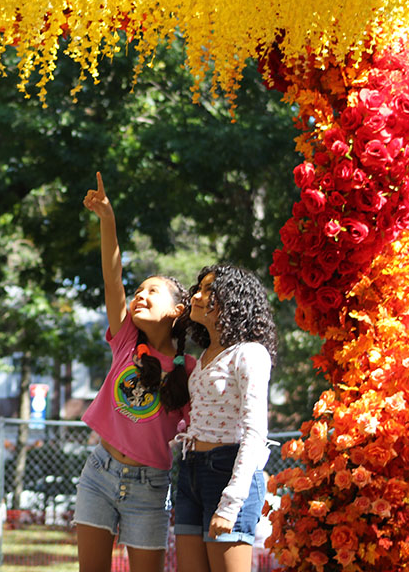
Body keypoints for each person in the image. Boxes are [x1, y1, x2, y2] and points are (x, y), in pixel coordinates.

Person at [75, 172, 195, 572]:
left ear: (177, 310)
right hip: (99, 473)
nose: (140, 296)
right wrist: (107, 220)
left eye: (152, 291)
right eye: (139, 290)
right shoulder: (126, 339)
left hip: (150, 487)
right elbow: (113, 281)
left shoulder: (188, 370)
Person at [173, 264, 277, 572]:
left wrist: (231, 503)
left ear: (233, 300)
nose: (196, 296)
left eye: (208, 291)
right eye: (198, 289)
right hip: (190, 469)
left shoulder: (250, 353)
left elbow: (255, 432)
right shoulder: (205, 355)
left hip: (228, 474)